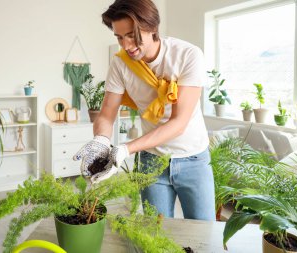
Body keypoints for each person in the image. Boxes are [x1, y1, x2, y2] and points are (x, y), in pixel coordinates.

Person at [74, 0, 215, 221]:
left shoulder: (187, 55)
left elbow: (179, 124)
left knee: (203, 233)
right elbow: (106, 113)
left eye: (132, 35)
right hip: (151, 160)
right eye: (120, 37)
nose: (126, 45)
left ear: (152, 27)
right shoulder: (120, 64)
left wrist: (126, 149)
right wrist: (101, 140)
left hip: (193, 158)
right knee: (155, 232)